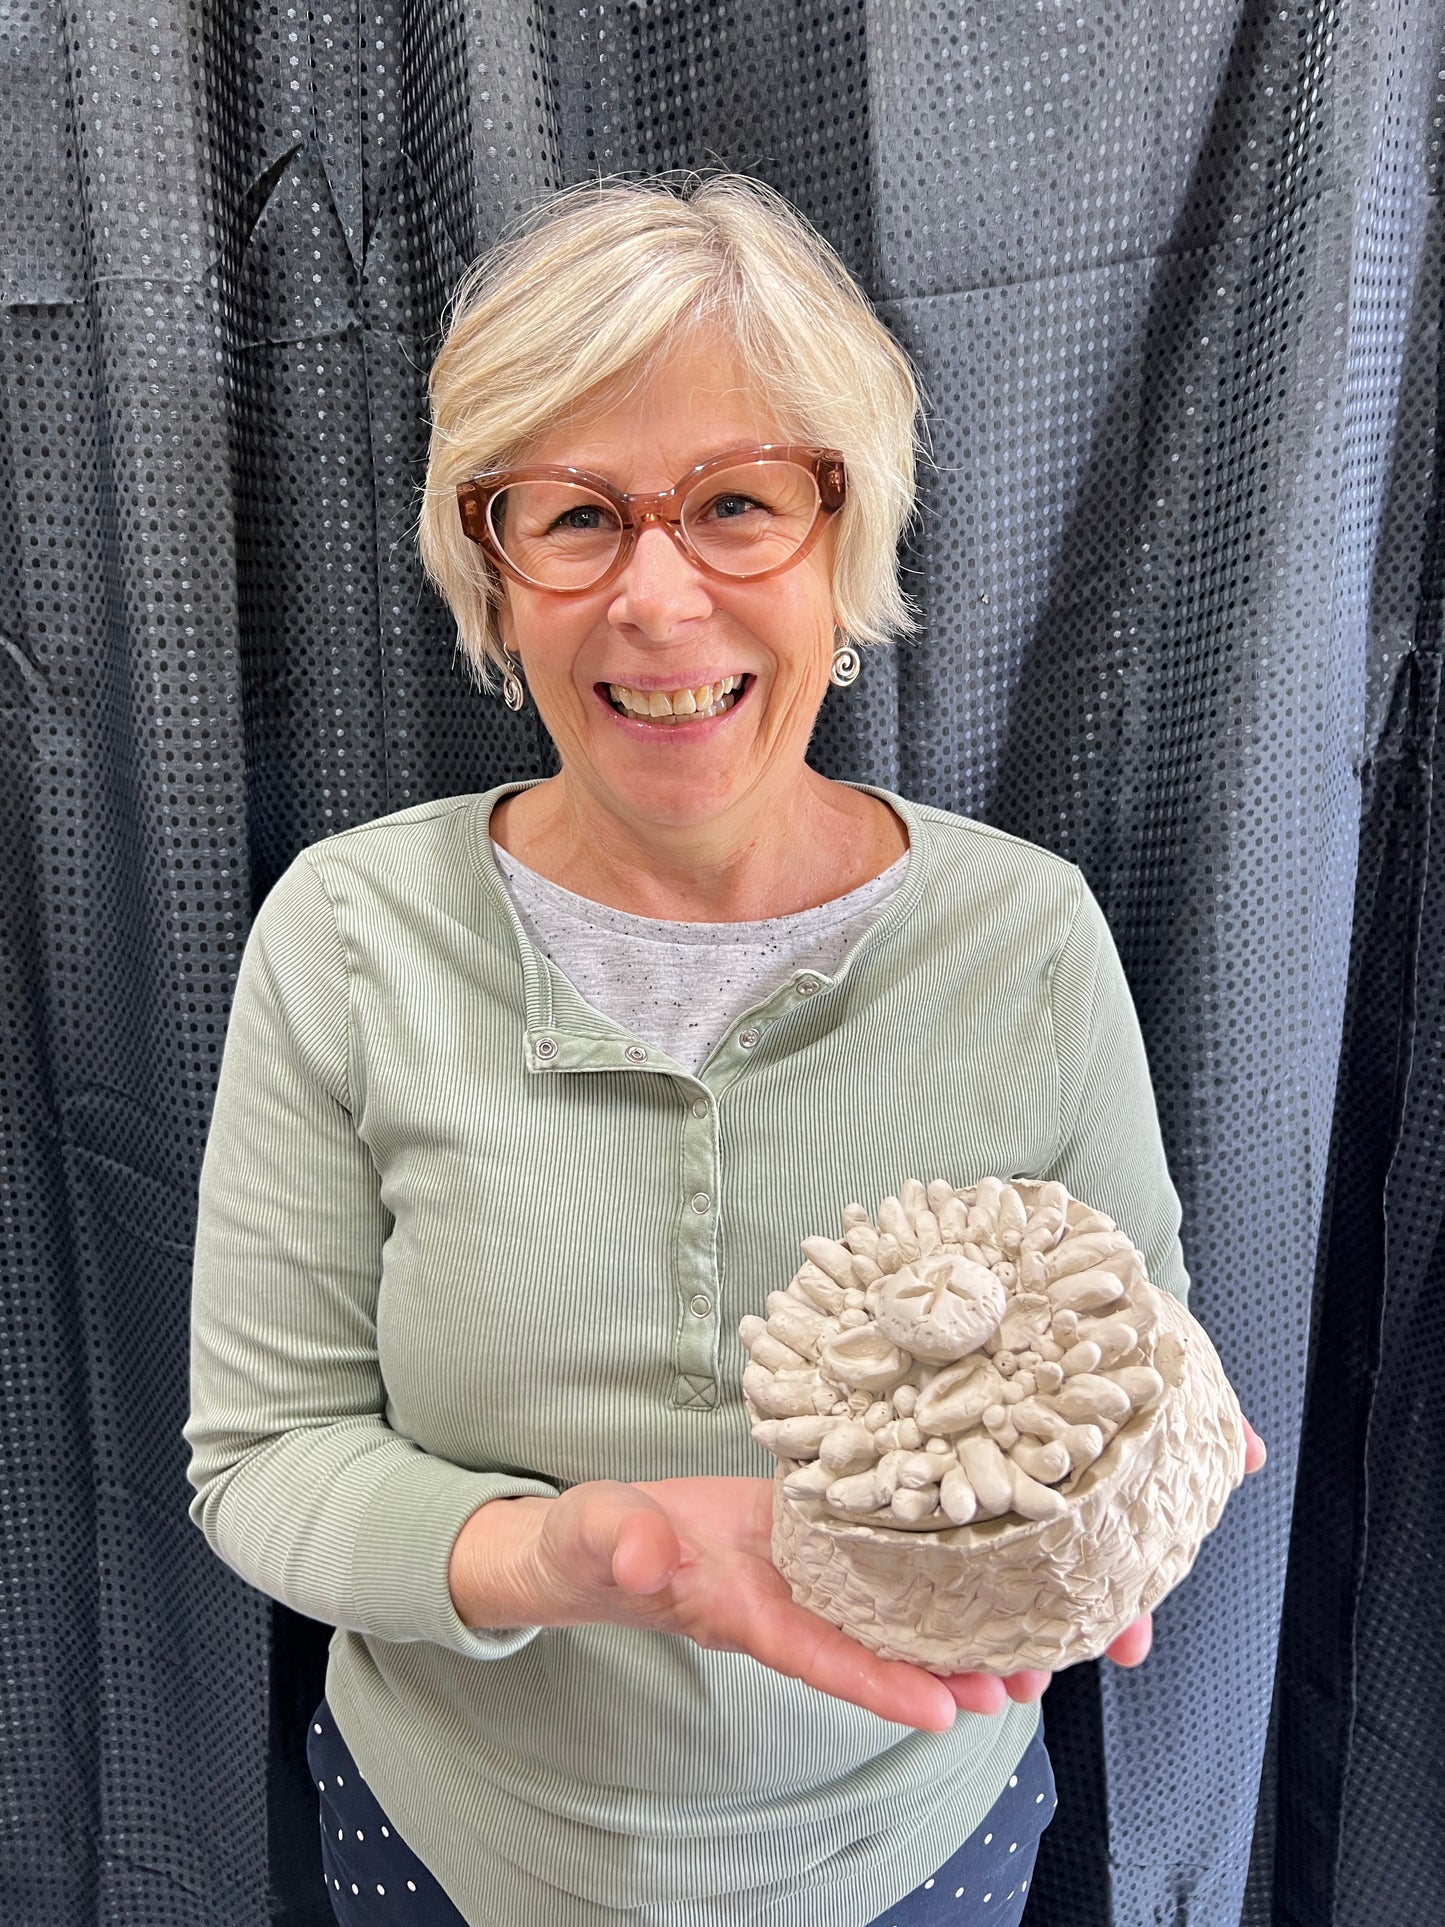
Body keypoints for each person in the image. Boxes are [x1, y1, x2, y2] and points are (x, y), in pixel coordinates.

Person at [185, 175, 1266, 1927]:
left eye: (738, 504)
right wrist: (571, 1558)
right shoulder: (347, 934)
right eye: (573, 517)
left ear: (846, 541)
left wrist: (1144, 1468)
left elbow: (1123, 1364)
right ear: (493, 573)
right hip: (449, 1842)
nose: (657, 598)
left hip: (913, 1845)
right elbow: (262, 1457)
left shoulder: (1030, 940)